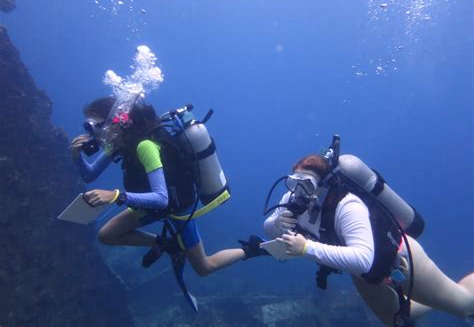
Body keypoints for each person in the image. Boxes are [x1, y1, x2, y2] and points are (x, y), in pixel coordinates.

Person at [263, 153, 474, 326]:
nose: (298, 191)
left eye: (306, 184)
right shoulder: (291, 199)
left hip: (400, 259)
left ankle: (449, 295)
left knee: (465, 305)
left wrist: (306, 247)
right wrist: (277, 224)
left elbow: (363, 257)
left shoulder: (347, 205)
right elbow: (270, 229)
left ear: (322, 185)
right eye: (293, 182)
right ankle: (435, 299)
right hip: (366, 275)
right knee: (396, 320)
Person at [70, 97, 263, 280]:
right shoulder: (119, 144)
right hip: (150, 205)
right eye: (88, 127)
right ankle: (168, 245)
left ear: (115, 123)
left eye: (95, 126)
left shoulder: (145, 146)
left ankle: (252, 249)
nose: (92, 134)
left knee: (204, 267)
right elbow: (89, 175)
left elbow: (162, 198)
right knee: (106, 235)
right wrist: (77, 156)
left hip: (177, 207)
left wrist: (116, 196)